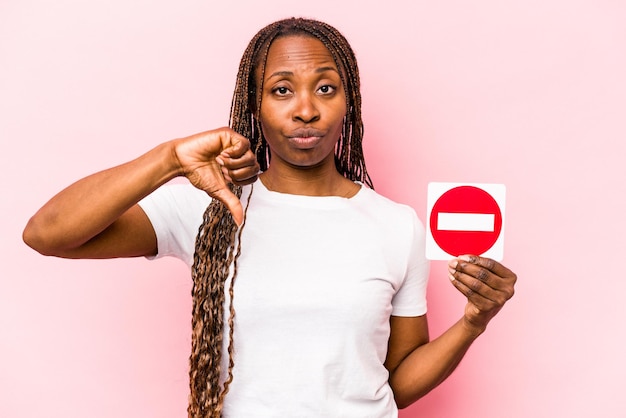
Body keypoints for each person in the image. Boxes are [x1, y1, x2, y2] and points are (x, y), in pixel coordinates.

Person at [23, 17, 517, 418]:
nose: (306, 109)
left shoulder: (396, 225)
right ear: (254, 105)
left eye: (326, 88)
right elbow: (47, 233)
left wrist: (474, 321)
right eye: (282, 90)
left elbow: (399, 383)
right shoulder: (210, 207)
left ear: (349, 102)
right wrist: (169, 158)